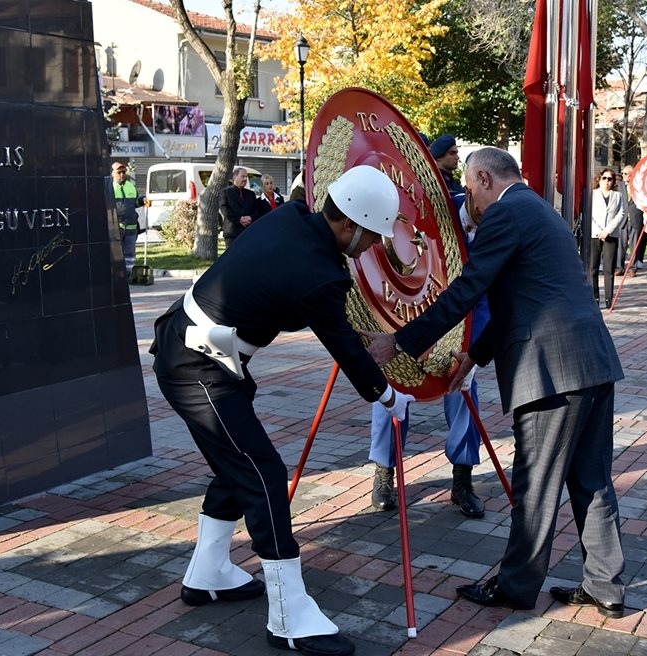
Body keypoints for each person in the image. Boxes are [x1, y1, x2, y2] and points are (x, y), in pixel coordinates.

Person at [151, 166, 414, 656]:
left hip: (203, 356)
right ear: (349, 224)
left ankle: (208, 574)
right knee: (263, 474)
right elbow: (342, 346)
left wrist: (339, 326)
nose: (371, 247)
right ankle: (290, 615)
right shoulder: (317, 271)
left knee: (236, 465)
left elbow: (296, 301)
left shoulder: (292, 218)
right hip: (197, 367)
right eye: (371, 236)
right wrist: (388, 396)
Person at [364, 147, 626, 619]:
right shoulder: (540, 209)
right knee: (592, 481)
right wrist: (474, 355)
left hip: (550, 372)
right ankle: (606, 587)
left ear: (484, 179)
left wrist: (400, 342)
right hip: (592, 363)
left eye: (470, 191)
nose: (471, 204)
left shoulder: (505, 214)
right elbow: (517, 298)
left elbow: (468, 289)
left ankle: (516, 586)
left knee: (536, 484)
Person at [369, 190, 491, 518]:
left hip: (459, 328)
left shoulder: (497, 226)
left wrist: (473, 352)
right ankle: (384, 470)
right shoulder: (432, 205)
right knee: (388, 388)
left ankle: (462, 477)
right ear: (475, 187)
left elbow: (486, 297)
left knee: (464, 388)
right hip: (408, 318)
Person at [589, 168, 624, 309]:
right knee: (593, 268)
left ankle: (609, 299)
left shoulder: (618, 196)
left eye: (610, 179)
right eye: (604, 178)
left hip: (611, 235)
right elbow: (588, 213)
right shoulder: (592, 194)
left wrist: (608, 230)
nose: (607, 181)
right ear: (599, 179)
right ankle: (594, 298)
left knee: (609, 268)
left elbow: (621, 213)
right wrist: (599, 231)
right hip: (595, 234)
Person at [111, 162, 146, 270]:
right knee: (116, 254)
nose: (122, 174)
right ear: (113, 174)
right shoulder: (110, 188)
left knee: (130, 254)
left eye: (123, 172)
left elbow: (135, 203)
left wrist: (142, 200)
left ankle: (128, 273)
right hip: (116, 228)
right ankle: (118, 273)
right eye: (119, 172)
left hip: (131, 227)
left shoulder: (130, 186)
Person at [219, 167, 259, 249]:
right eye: (242, 176)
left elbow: (256, 210)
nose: (245, 179)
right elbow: (224, 209)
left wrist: (250, 218)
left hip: (248, 232)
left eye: (246, 177)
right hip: (232, 233)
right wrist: (239, 219)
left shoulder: (251, 194)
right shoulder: (225, 192)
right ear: (235, 177)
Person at [620, 165, 646, 275]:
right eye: (622, 173)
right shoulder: (620, 185)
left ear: (632, 175)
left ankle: (632, 268)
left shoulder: (640, 185)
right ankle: (619, 267)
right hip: (622, 218)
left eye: (625, 174)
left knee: (634, 244)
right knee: (621, 244)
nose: (623, 175)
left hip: (635, 218)